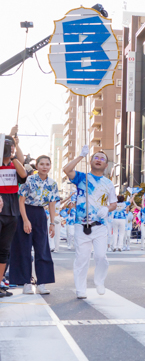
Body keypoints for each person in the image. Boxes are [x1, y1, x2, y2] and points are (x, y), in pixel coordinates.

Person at [62, 146, 117, 299]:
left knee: (100, 256)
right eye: (96, 157)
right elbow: (66, 170)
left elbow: (113, 203)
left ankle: (99, 281)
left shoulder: (108, 183)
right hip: (82, 225)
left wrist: (107, 209)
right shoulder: (81, 177)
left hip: (100, 226)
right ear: (91, 161)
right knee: (81, 258)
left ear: (106, 165)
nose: (99, 160)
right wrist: (80, 155)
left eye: (102, 159)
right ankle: (81, 289)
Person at [11, 155, 59, 294]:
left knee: (42, 248)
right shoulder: (29, 180)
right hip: (26, 212)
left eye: (47, 164)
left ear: (50, 166)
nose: (44, 166)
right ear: (36, 166)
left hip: (40, 214)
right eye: (42, 164)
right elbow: (21, 201)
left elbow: (51, 204)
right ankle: (26, 282)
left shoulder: (52, 184)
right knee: (24, 249)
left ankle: (42, 283)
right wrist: (25, 220)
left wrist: (52, 223)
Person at [0, 128, 25, 298]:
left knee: (4, 250)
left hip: (12, 212)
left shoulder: (15, 164)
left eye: (11, 147)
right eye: (6, 146)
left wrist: (15, 147)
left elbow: (23, 173)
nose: (9, 149)